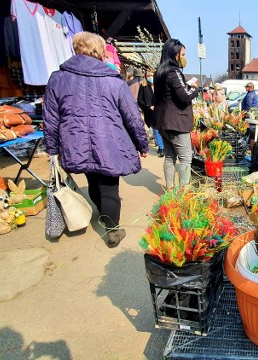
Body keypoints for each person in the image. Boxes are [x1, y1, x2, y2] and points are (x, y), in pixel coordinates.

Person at [43, 32, 149, 247]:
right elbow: (132, 116)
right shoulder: (113, 80)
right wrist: (142, 144)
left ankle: (103, 214)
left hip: (75, 141)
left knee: (92, 179)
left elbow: (51, 117)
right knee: (110, 187)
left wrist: (52, 148)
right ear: (99, 51)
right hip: (109, 142)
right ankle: (112, 230)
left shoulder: (58, 78)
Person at [153, 38, 199, 188]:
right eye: (183, 54)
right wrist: (194, 88)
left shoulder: (159, 72)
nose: (184, 58)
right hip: (176, 123)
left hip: (163, 122)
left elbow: (169, 93)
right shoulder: (174, 71)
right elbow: (185, 96)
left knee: (169, 157)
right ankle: (183, 193)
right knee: (186, 158)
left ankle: (170, 190)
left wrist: (185, 85)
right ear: (175, 54)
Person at [138, 70, 164, 157]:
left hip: (160, 110)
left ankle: (162, 145)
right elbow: (140, 100)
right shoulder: (144, 86)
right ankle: (161, 147)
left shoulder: (159, 85)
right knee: (156, 129)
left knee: (161, 129)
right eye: (148, 75)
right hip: (150, 112)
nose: (150, 77)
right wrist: (148, 106)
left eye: (152, 75)